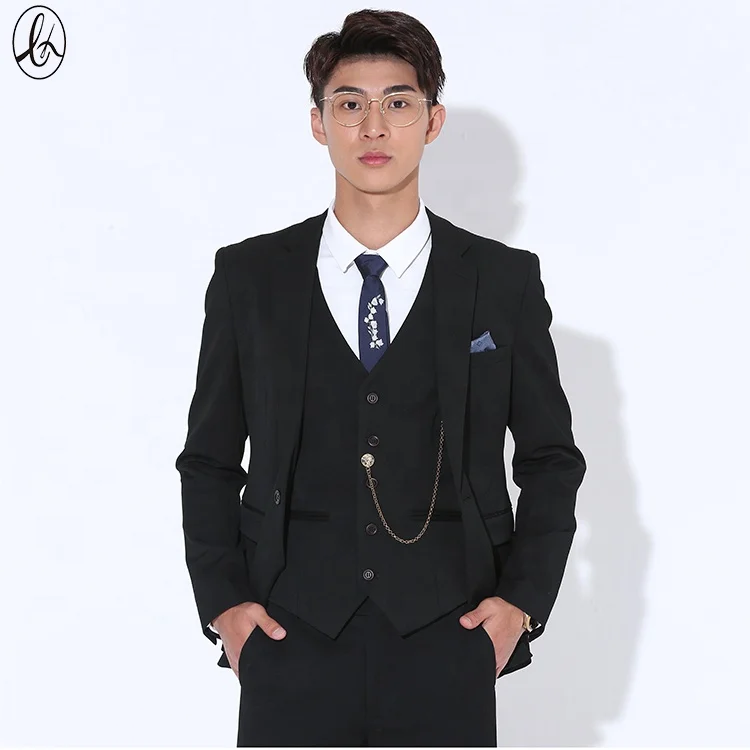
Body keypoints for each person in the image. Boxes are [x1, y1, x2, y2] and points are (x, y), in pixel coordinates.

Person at [175, 8, 586, 747]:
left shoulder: (502, 281)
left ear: (432, 121)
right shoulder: (249, 278)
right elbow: (208, 459)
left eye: (398, 103)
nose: (373, 127)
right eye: (349, 105)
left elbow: (551, 460)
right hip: (287, 634)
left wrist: (521, 604)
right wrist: (225, 606)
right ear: (318, 123)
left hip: (451, 632)